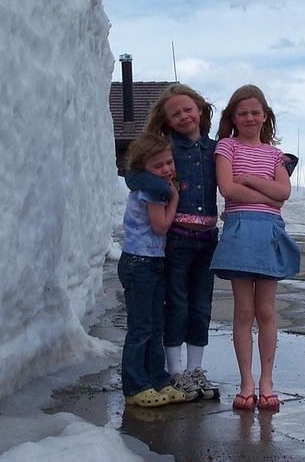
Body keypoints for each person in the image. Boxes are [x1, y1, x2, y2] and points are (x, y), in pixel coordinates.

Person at [209, 84, 300, 411]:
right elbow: (227, 188)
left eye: (255, 112)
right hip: (240, 230)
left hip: (269, 232)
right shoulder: (226, 146)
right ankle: (247, 380)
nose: (249, 117)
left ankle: (267, 381)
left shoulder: (277, 155)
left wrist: (248, 181)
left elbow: (285, 192)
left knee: (266, 311)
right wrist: (269, 195)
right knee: (244, 310)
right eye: (243, 112)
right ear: (233, 116)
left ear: (265, 117)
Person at [126, 84, 220, 401]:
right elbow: (136, 176)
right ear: (166, 122)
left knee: (201, 306)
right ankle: (175, 372)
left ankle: (195, 369)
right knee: (177, 304)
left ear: (200, 109)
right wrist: (163, 189)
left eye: (188, 109)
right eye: (175, 113)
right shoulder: (168, 151)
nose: (183, 116)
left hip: (207, 239)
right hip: (177, 239)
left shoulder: (216, 150)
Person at [118, 133, 188, 408]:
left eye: (169, 162)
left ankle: (157, 379)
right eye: (158, 166)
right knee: (141, 328)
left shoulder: (154, 185)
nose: (167, 169)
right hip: (139, 264)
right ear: (143, 167)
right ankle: (135, 386)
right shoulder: (155, 191)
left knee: (155, 326)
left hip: (151, 263)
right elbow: (161, 226)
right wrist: (175, 199)